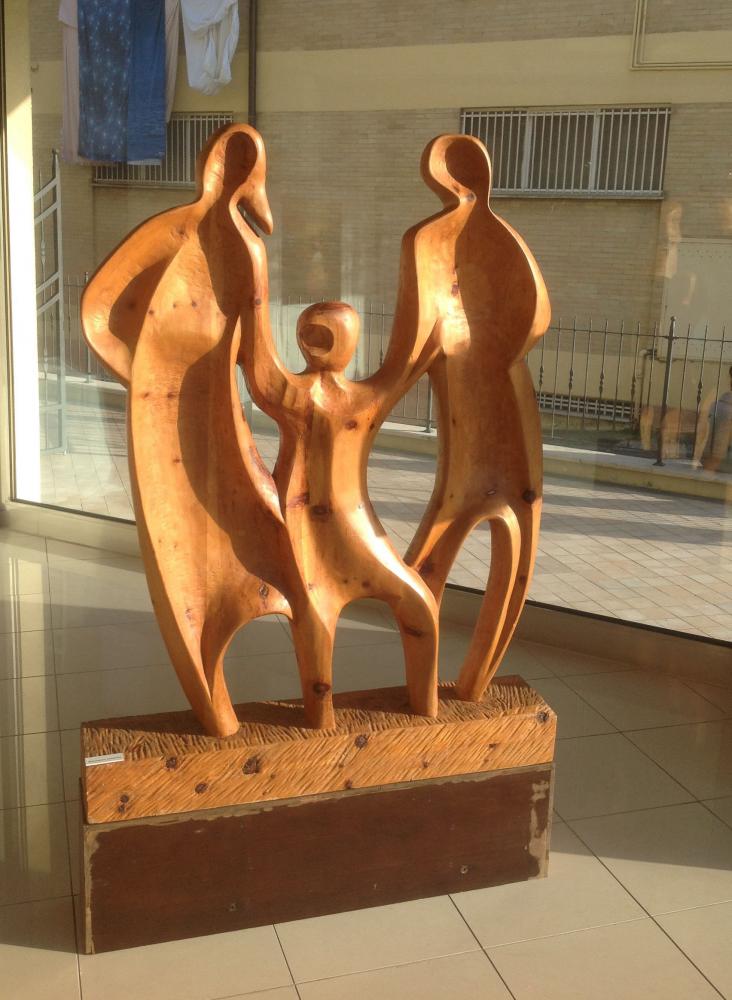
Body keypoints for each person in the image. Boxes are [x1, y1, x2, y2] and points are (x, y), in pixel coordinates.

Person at [403, 134, 551, 702]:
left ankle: (451, 690)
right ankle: (438, 692)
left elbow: (417, 342)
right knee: (431, 559)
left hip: (495, 409)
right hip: (493, 402)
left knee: (439, 559)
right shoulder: (450, 238)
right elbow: (535, 318)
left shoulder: (434, 239)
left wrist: (389, 387)